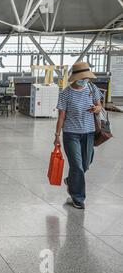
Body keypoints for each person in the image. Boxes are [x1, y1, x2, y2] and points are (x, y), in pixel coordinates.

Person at [54, 61, 103, 210]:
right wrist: (57, 135)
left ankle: (71, 180)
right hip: (71, 134)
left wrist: (97, 109)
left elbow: (99, 106)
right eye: (82, 77)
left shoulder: (91, 88)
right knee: (77, 165)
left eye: (86, 77)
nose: (84, 79)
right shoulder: (65, 93)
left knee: (85, 164)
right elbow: (61, 116)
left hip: (89, 132)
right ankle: (78, 197)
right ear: (75, 77)